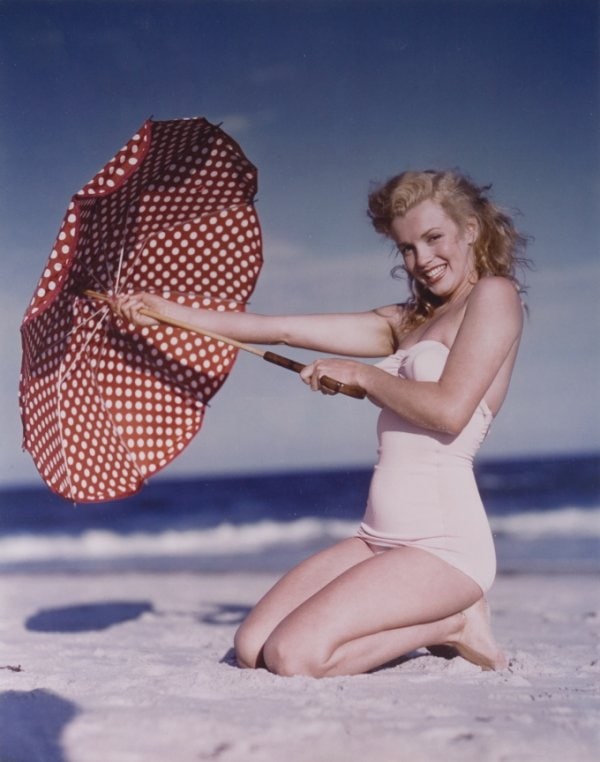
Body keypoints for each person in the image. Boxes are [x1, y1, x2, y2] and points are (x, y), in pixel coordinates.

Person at [113, 169, 529, 678]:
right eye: (406, 248)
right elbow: (280, 330)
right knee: (252, 647)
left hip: (444, 547)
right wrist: (167, 313)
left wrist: (362, 375)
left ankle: (454, 622)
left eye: (433, 238)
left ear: (470, 229)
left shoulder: (494, 296)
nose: (421, 259)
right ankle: (442, 619)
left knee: (294, 656)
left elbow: (449, 410)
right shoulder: (407, 322)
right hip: (379, 537)